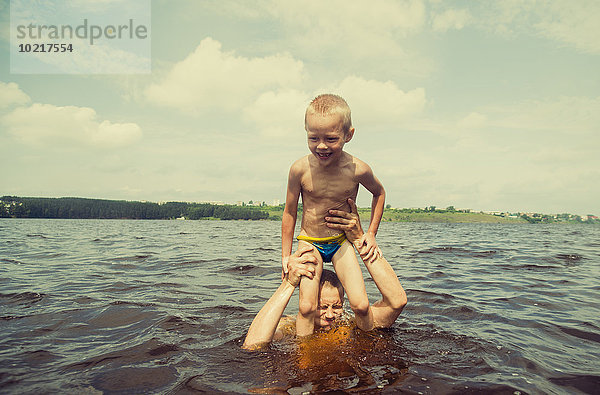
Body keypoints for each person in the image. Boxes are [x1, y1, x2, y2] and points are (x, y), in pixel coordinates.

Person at [282, 94, 386, 337]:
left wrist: (370, 234)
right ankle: (305, 356)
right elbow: (289, 212)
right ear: (305, 132)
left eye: (331, 139)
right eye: (313, 138)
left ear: (348, 135)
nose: (321, 146)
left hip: (340, 242)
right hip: (310, 242)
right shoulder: (299, 169)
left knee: (360, 305)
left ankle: (366, 345)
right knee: (307, 306)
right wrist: (286, 256)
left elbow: (379, 193)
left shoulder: (358, 169)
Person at [243, 199, 406, 350]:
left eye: (336, 307)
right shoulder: (291, 327)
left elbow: (397, 302)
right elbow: (252, 345)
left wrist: (359, 241)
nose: (329, 315)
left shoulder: (350, 323)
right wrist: (289, 283)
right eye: (322, 307)